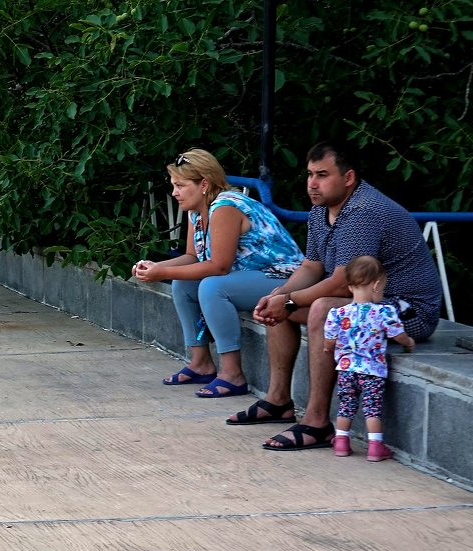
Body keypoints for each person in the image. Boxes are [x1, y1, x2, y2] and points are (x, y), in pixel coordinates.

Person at [228, 141, 443, 451]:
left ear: (349, 177)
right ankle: (278, 401)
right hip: (365, 304)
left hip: (407, 310)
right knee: (283, 302)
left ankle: (317, 422)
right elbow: (311, 266)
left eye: (323, 175)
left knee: (322, 310)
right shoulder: (321, 209)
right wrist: (280, 295)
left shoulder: (363, 211)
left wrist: (291, 300)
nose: (313, 184)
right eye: (310, 174)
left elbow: (344, 283)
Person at [132, 148, 304, 398]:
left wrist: (163, 271)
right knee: (183, 284)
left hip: (283, 278)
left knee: (213, 286)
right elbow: (192, 257)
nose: (174, 192)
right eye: (173, 185)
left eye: (180, 185)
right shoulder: (196, 209)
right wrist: (156, 267)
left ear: (204, 184)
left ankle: (232, 374)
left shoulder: (225, 206)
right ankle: (200, 362)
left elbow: (218, 267)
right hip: (250, 276)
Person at [324, 256, 415, 461]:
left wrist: (327, 348)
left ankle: (341, 442)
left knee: (346, 405)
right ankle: (375, 447)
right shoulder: (384, 311)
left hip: (346, 369)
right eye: (382, 287)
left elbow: (329, 339)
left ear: (349, 287)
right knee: (372, 409)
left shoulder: (338, 313)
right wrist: (408, 342)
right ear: (375, 285)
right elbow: (396, 335)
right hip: (372, 371)